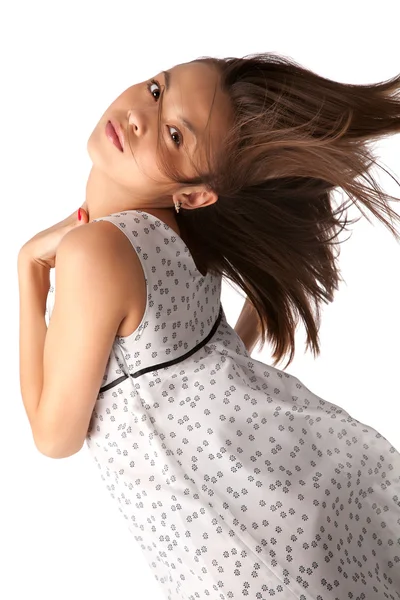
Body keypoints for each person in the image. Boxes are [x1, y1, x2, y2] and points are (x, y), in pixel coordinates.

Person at [18, 53, 400, 599]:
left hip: (241, 551)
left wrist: (28, 271)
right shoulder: (186, 231)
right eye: (156, 89)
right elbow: (202, 356)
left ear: (196, 194)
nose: (138, 117)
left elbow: (54, 437)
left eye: (174, 135)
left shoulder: (97, 251)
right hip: (288, 485)